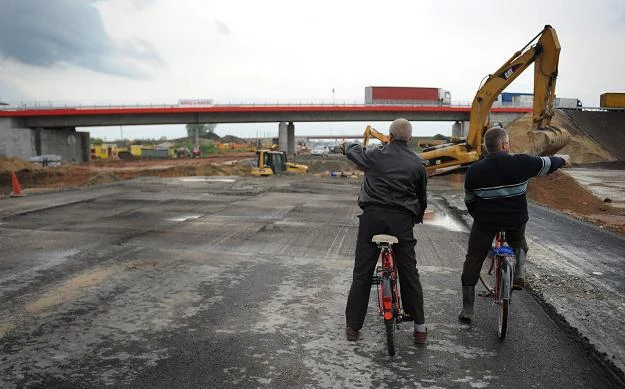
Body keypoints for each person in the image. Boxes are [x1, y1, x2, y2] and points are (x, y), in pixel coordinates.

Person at [459, 126, 568, 322]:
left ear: (487, 147)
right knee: (519, 240)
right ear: (504, 145)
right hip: (515, 219)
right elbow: (550, 163)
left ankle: (468, 308)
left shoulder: (474, 171)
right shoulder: (522, 162)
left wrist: (478, 216)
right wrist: (564, 159)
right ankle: (518, 271)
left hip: (486, 222)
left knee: (473, 258)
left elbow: (469, 200)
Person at [342, 118, 429, 344]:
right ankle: (419, 329)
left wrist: (349, 145)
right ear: (409, 138)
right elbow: (422, 199)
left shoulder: (374, 154)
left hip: (372, 219)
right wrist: (416, 217)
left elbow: (353, 151)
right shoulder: (418, 163)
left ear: (389, 136)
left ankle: (353, 327)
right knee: (409, 272)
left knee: (362, 272)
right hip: (402, 222)